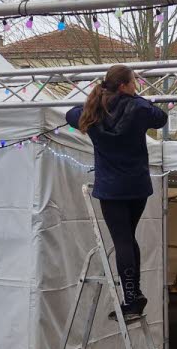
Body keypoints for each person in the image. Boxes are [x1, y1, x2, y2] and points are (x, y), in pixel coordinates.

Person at [65, 64, 167, 321]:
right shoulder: (139, 107)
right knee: (128, 239)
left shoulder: (93, 113)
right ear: (123, 85)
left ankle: (132, 299)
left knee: (122, 241)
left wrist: (97, 99)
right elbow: (161, 116)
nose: (136, 87)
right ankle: (135, 295)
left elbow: (70, 114)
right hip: (136, 186)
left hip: (111, 188)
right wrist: (135, 99)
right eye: (133, 83)